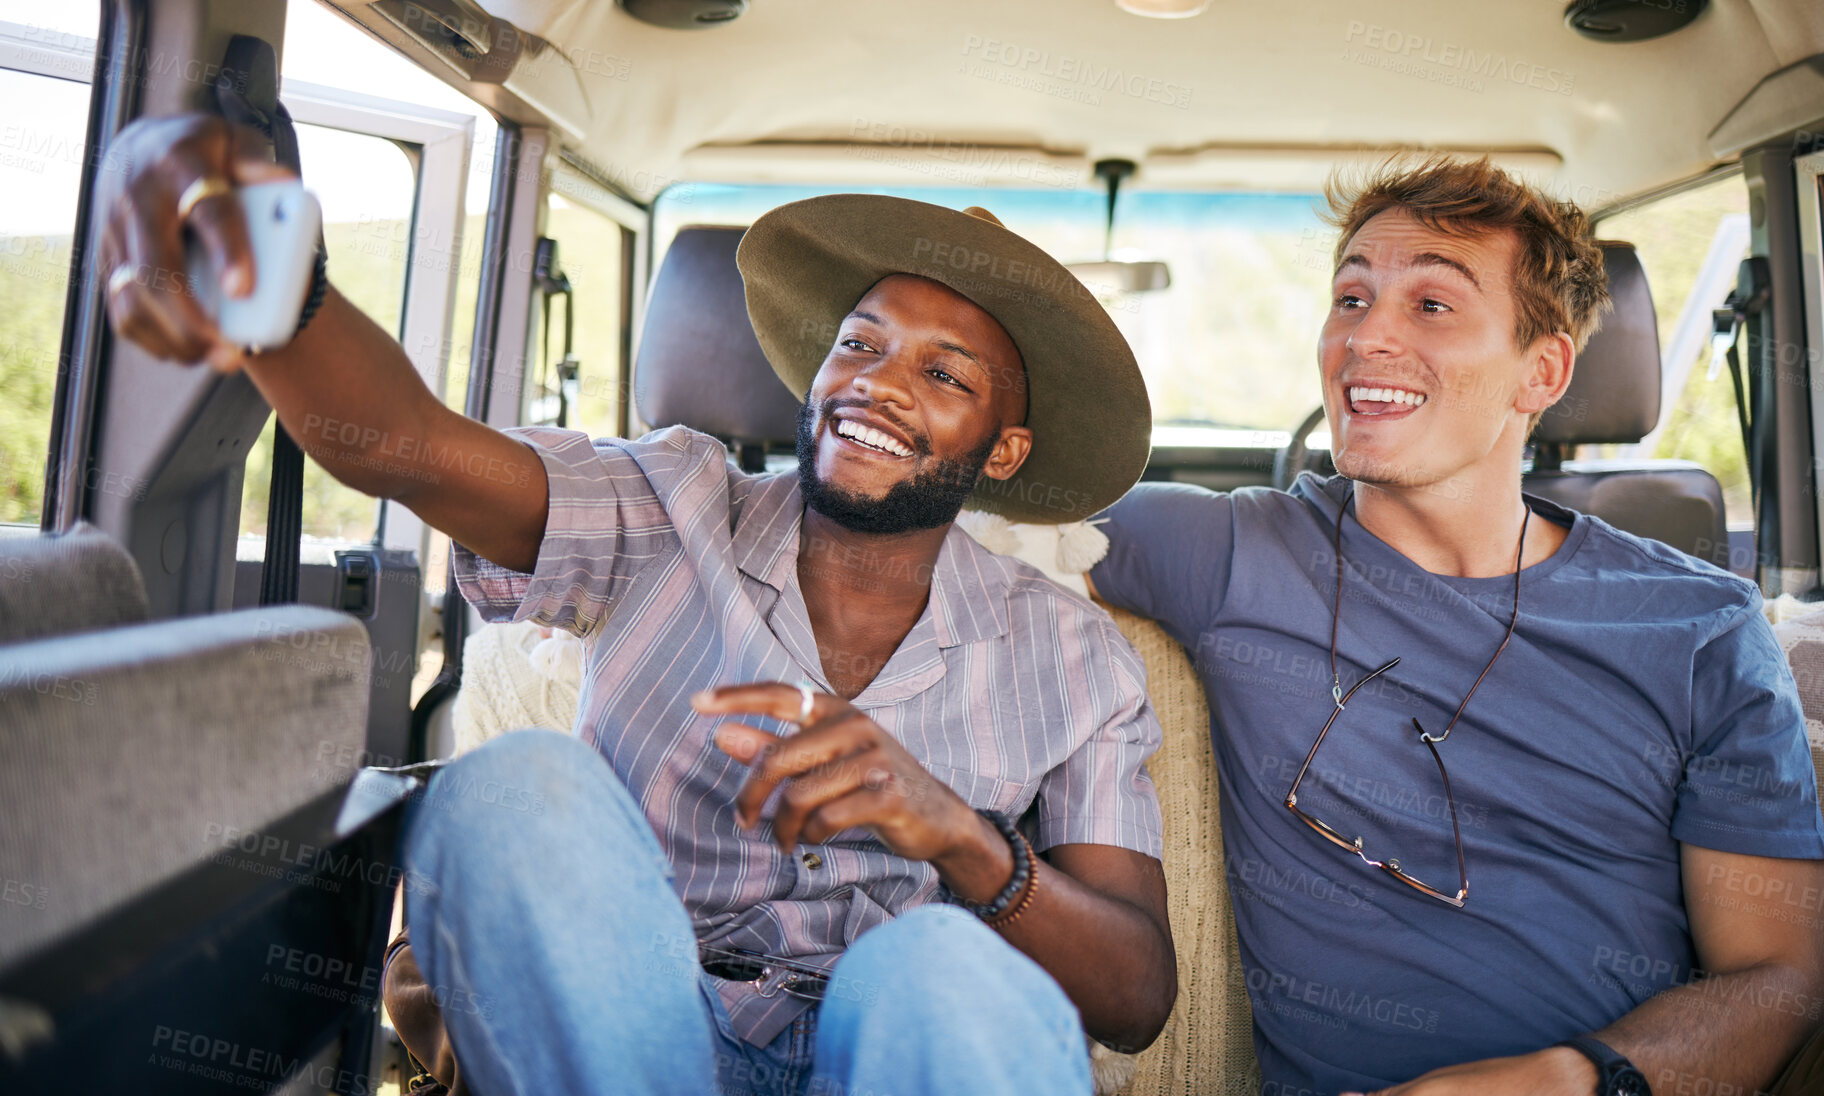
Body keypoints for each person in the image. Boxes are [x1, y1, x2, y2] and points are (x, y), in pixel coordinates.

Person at [98, 115, 1175, 1096]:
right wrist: (277, 287)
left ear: (1006, 449)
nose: (879, 383)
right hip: (637, 1033)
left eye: (945, 376)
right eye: (859, 342)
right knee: (515, 784)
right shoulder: (670, 501)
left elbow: (1134, 995)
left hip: (890, 1053)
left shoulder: (1071, 653)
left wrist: (953, 831)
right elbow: (409, 447)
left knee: (941, 962)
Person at [1088, 156, 1824, 1096]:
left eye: (1431, 305)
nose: (1367, 339)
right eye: (1351, 299)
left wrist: (1567, 1081)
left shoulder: (1697, 626)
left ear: (1542, 370)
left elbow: (1777, 978)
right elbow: (970, 518)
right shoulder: (1229, 552)